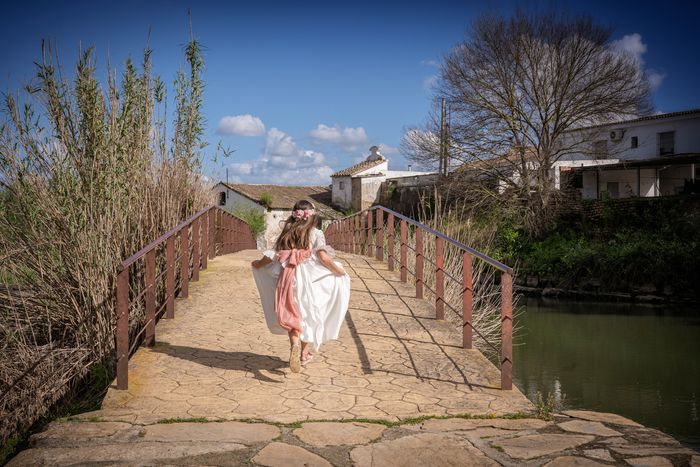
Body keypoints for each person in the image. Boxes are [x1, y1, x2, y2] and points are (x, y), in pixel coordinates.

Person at [250, 200, 350, 373]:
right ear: (312, 215)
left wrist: (258, 264)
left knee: (291, 311)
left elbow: (273, 255)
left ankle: (294, 345)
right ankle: (304, 353)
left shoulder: (287, 232)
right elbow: (324, 258)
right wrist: (338, 271)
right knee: (307, 314)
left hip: (287, 277)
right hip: (309, 278)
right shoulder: (316, 233)